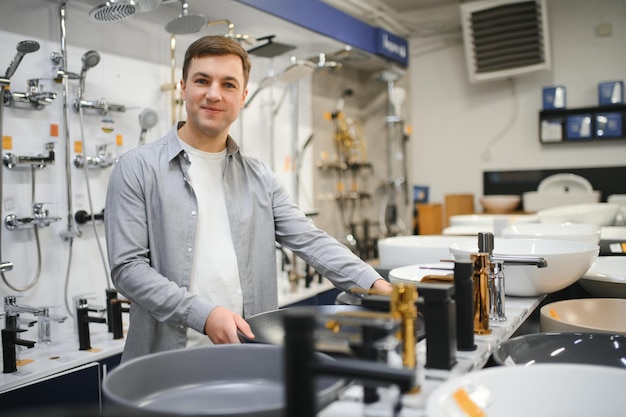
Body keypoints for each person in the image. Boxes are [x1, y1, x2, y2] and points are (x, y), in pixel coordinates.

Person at [104, 35, 392, 362]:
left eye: (228, 84)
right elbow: (128, 269)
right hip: (166, 361)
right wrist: (204, 314)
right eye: (202, 81)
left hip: (248, 356)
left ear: (242, 97)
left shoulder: (260, 178)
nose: (213, 93)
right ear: (183, 87)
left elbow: (311, 241)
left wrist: (376, 285)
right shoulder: (137, 168)